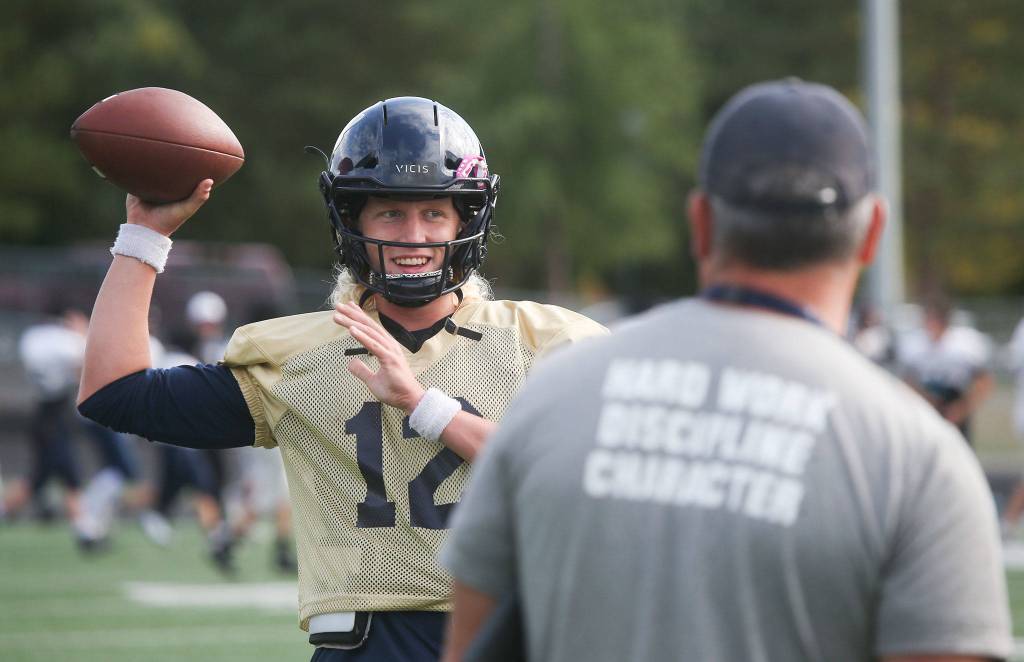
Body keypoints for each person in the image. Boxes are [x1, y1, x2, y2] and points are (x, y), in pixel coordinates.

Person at [441, 80, 1011, 662]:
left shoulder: (551, 397)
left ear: (701, 222)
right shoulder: (917, 458)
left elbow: (468, 646)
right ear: (871, 234)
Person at [77, 96, 606, 660]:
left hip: (507, 634)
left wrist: (427, 406)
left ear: (465, 220)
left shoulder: (542, 341)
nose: (413, 236)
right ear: (352, 220)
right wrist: (143, 238)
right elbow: (117, 393)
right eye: (390, 213)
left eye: (433, 213)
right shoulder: (299, 354)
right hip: (361, 645)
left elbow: (583, 478)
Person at [897, 295, 994, 443]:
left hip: (956, 404)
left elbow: (984, 382)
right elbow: (907, 382)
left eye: (934, 319)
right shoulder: (914, 344)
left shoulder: (963, 345)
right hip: (925, 405)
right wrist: (926, 403)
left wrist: (961, 409)